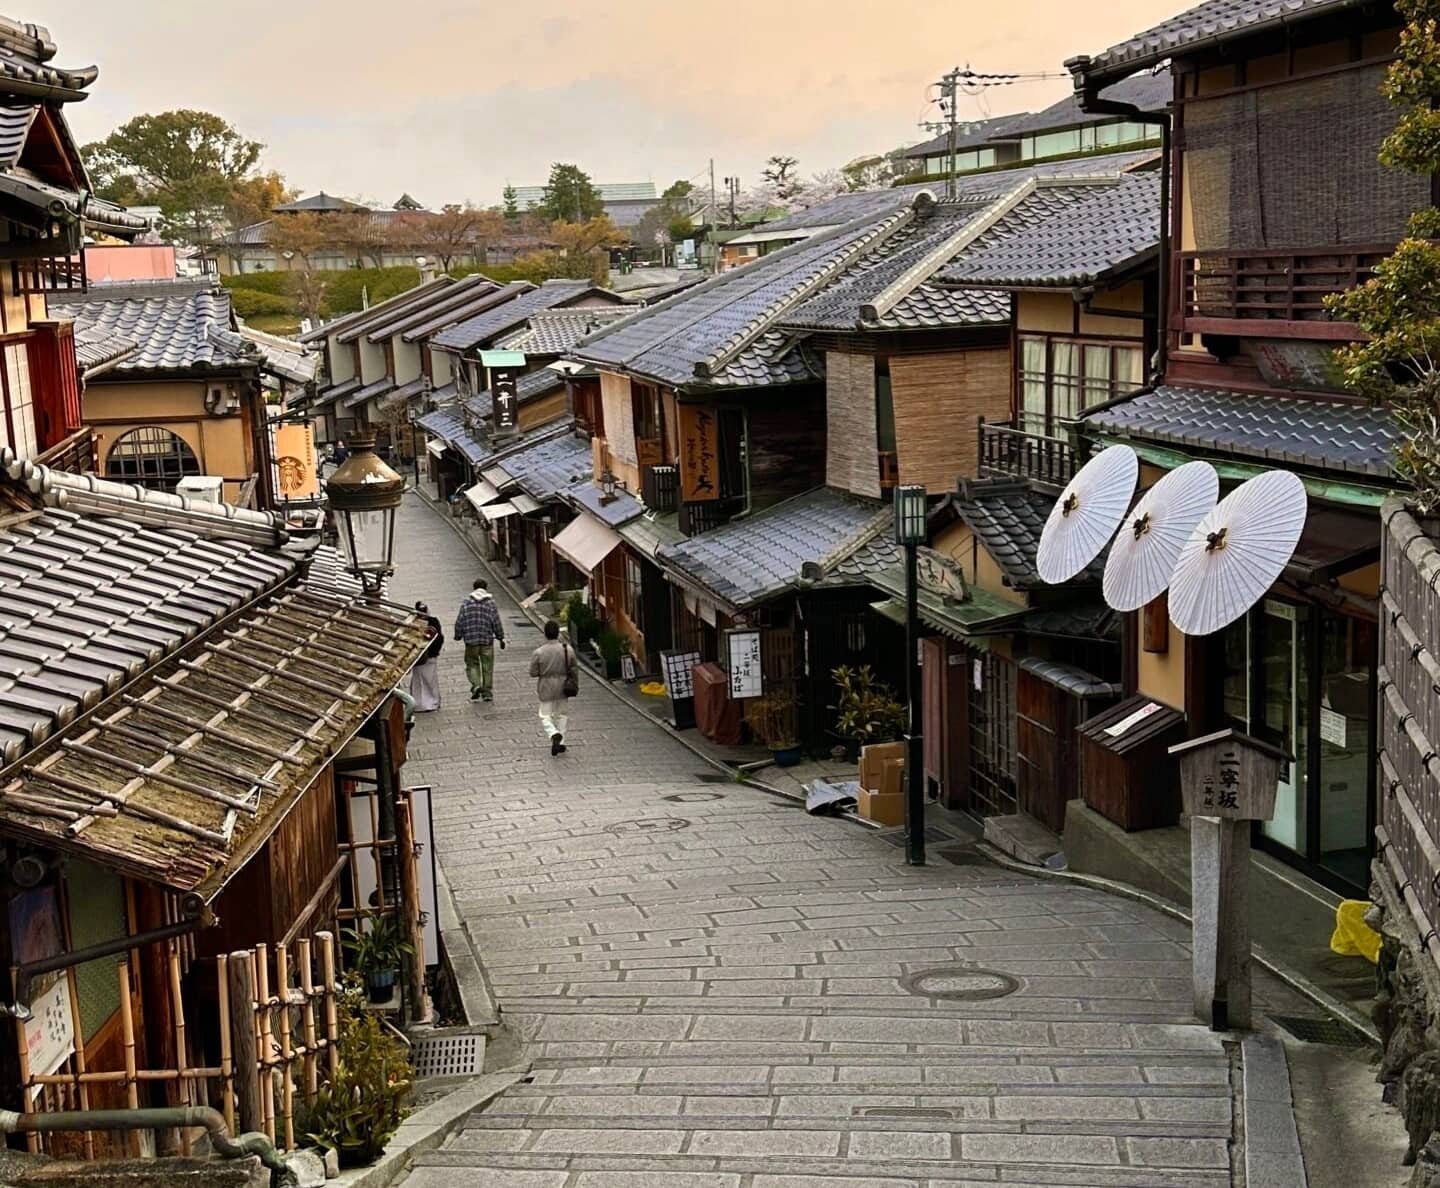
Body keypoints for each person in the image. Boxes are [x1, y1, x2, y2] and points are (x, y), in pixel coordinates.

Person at [529, 619, 577, 755]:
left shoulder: (539, 652)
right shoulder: (567, 649)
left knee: (545, 715)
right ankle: (561, 741)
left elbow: (533, 672)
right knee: (562, 714)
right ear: (558, 633)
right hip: (563, 685)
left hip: (546, 686)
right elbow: (574, 669)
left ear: (545, 634)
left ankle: (553, 732)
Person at [454, 578, 505, 702]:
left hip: (471, 641)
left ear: (474, 588)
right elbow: (496, 621)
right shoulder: (490, 603)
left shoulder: (466, 603)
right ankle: (487, 692)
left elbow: (460, 620)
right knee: (487, 666)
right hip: (487, 639)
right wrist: (500, 637)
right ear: (485, 588)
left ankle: (476, 685)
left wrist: (458, 635)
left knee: (472, 664)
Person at [411, 601, 444, 712]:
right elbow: (439, 638)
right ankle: (432, 702)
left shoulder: (413, 621)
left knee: (418, 681)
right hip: (429, 656)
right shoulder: (433, 621)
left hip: (418, 657)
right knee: (430, 680)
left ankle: (419, 703)